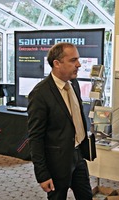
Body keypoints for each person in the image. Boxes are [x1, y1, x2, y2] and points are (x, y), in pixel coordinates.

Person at [27, 42, 93, 200]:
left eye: (78, 59)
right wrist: (42, 174)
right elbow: (35, 137)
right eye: (73, 60)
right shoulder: (40, 94)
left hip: (78, 157)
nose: (78, 64)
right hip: (57, 163)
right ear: (56, 63)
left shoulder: (74, 83)